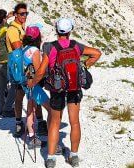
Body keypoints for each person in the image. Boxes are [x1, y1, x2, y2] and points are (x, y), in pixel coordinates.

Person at [36, 17, 101, 168]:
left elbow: (41, 71)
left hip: (57, 88)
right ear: (70, 31)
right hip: (74, 86)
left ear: (56, 30)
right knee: (75, 122)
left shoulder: (49, 47)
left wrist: (33, 82)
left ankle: (51, 159)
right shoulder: (76, 46)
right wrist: (84, 65)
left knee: (54, 123)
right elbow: (97, 53)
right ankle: (74, 157)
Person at [6, 2, 44, 136]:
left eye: (26, 13)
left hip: (22, 65)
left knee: (30, 95)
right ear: (15, 14)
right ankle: (19, 123)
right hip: (19, 67)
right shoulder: (12, 29)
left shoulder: (21, 27)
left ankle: (36, 121)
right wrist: (30, 42)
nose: (24, 16)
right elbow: (17, 46)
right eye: (22, 14)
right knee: (20, 96)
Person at [22, 26, 51, 149]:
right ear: (37, 37)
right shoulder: (35, 51)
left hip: (26, 83)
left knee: (30, 110)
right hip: (34, 85)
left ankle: (32, 137)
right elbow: (39, 70)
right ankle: (52, 138)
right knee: (51, 109)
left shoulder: (24, 49)